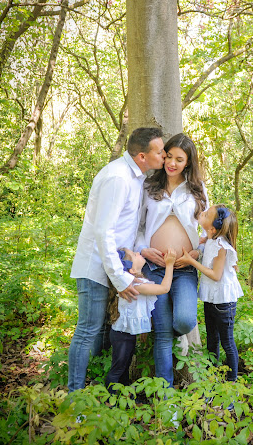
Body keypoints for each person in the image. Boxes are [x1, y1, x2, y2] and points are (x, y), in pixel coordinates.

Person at [68, 127, 166, 392]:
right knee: (88, 331)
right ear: (143, 156)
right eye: (160, 151)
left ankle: (98, 394)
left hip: (116, 267)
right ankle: (74, 397)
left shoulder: (137, 179)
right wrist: (121, 278)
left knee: (103, 333)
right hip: (97, 268)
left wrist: (141, 252)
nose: (165, 155)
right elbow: (104, 230)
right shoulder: (118, 178)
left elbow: (132, 226)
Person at [134, 133, 208, 387]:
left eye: (179, 159)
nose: (172, 163)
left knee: (185, 320)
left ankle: (185, 359)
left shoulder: (197, 188)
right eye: (169, 157)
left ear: (188, 162)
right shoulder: (149, 186)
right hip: (155, 268)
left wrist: (196, 254)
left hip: (184, 269)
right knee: (162, 335)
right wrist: (144, 250)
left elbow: (209, 230)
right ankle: (165, 394)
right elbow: (139, 226)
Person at [181, 205, 243, 382]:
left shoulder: (221, 246)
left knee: (227, 343)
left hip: (224, 302)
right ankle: (213, 378)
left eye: (207, 214)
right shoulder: (210, 239)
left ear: (213, 228)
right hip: (211, 299)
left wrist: (191, 261)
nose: (202, 213)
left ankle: (231, 383)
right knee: (212, 340)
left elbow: (216, 275)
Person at [105, 247, 176, 393]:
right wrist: (170, 264)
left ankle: (122, 396)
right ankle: (109, 400)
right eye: (135, 255)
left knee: (125, 365)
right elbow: (164, 288)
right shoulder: (135, 284)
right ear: (130, 270)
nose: (139, 253)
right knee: (118, 368)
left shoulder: (138, 281)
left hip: (126, 334)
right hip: (122, 335)